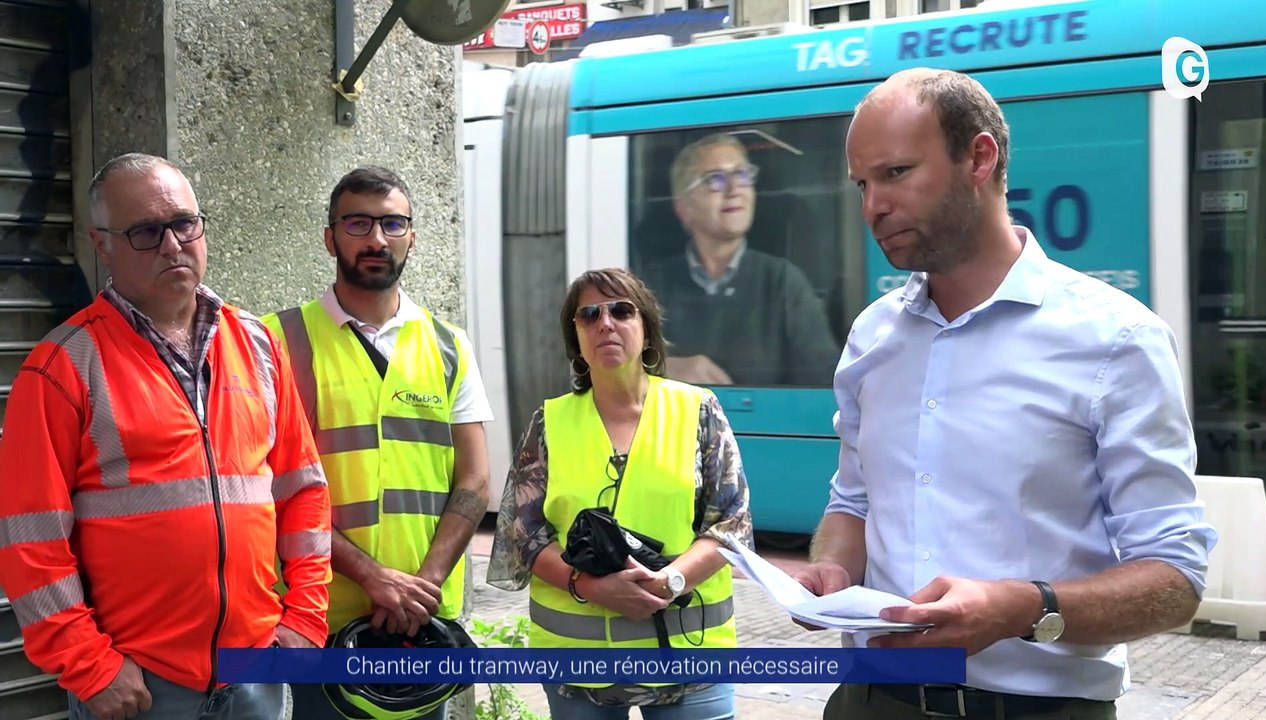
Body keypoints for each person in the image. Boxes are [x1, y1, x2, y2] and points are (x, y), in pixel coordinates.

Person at [794, 68, 1219, 719]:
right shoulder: (873, 336)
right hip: (870, 699)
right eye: (862, 183)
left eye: (896, 173)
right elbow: (852, 501)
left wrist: (1027, 607)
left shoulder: (1117, 339)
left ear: (979, 158)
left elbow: (1175, 579)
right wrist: (831, 569)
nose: (872, 205)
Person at [0, 152, 332, 720]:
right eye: (146, 232)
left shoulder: (256, 343)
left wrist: (305, 616)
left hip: (257, 668)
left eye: (184, 223)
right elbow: (30, 538)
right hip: (140, 687)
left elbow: (301, 490)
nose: (173, 245)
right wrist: (88, 664)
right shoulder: (62, 366)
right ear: (101, 244)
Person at [261, 165, 493, 720]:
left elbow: (476, 479)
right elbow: (261, 484)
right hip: (321, 614)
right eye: (358, 223)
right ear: (329, 237)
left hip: (421, 620)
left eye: (392, 224)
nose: (375, 239)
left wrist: (423, 586)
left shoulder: (449, 346)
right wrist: (370, 576)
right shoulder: (274, 340)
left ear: (412, 236)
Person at [487, 268, 752, 719]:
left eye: (621, 311)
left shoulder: (698, 409)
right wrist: (593, 587)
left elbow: (731, 523)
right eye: (588, 315)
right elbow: (525, 536)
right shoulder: (548, 422)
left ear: (645, 330)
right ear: (577, 339)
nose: (605, 323)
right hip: (578, 667)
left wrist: (670, 581)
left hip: (689, 661)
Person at [640, 133, 839, 387]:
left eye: (742, 175)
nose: (735, 190)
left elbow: (827, 382)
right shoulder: (650, 286)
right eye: (715, 179)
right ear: (684, 209)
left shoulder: (782, 283)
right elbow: (605, 366)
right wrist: (664, 367)